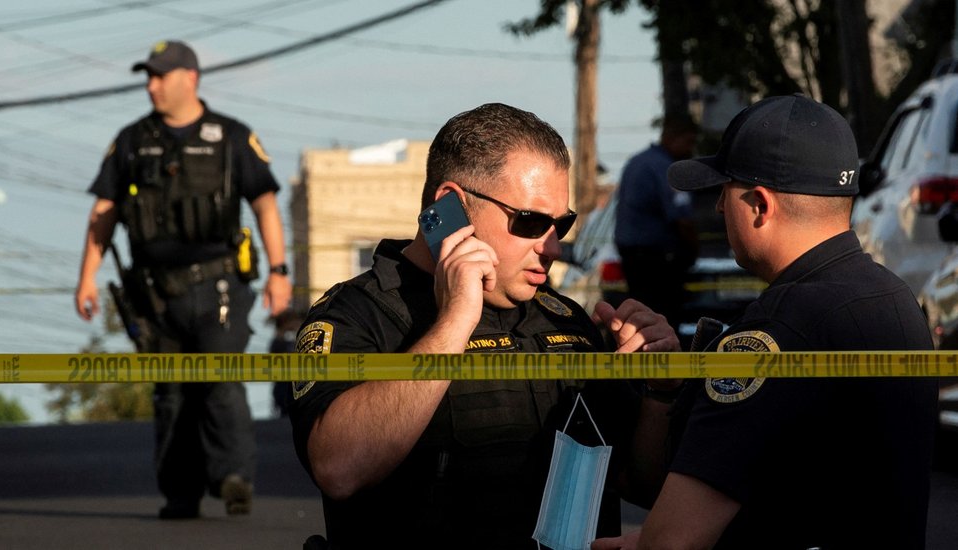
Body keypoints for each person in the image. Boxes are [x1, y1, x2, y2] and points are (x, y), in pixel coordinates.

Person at [288, 103, 681, 550]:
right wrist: (455, 320)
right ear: (451, 207)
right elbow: (340, 468)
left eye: (563, 224)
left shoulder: (567, 320)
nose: (552, 247)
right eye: (531, 222)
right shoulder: (356, 314)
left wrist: (659, 393)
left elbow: (643, 484)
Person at [593, 95, 939, 550]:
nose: (718, 207)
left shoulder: (775, 331)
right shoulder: (893, 299)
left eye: (724, 190)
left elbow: (672, 540)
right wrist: (666, 391)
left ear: (759, 205)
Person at [74, 40, 293, 519]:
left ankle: (234, 478)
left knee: (220, 378)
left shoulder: (231, 136)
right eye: (148, 77)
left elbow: (264, 204)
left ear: (189, 78)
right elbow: (105, 210)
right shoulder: (133, 140)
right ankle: (180, 491)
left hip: (217, 286)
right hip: (154, 294)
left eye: (160, 76)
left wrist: (279, 272)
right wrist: (87, 277)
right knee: (170, 391)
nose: (151, 85)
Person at [614, 113, 699, 331]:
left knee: (640, 318)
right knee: (664, 321)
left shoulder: (637, 162)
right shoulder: (667, 168)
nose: (690, 149)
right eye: (688, 142)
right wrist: (694, 250)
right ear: (672, 138)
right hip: (658, 262)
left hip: (633, 257)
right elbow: (683, 220)